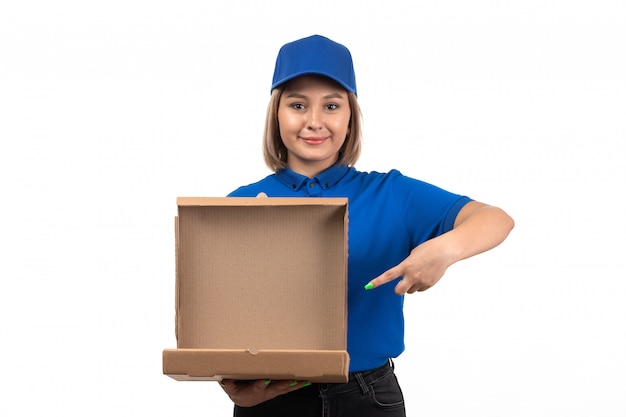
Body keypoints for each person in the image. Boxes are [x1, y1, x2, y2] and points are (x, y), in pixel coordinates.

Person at [220, 34, 514, 417]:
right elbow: (220, 315)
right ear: (277, 114)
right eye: (297, 105)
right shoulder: (240, 205)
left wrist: (443, 249)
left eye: (331, 106)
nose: (314, 121)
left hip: (367, 397)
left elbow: (496, 219)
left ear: (350, 116)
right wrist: (234, 386)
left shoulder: (392, 193)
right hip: (273, 397)